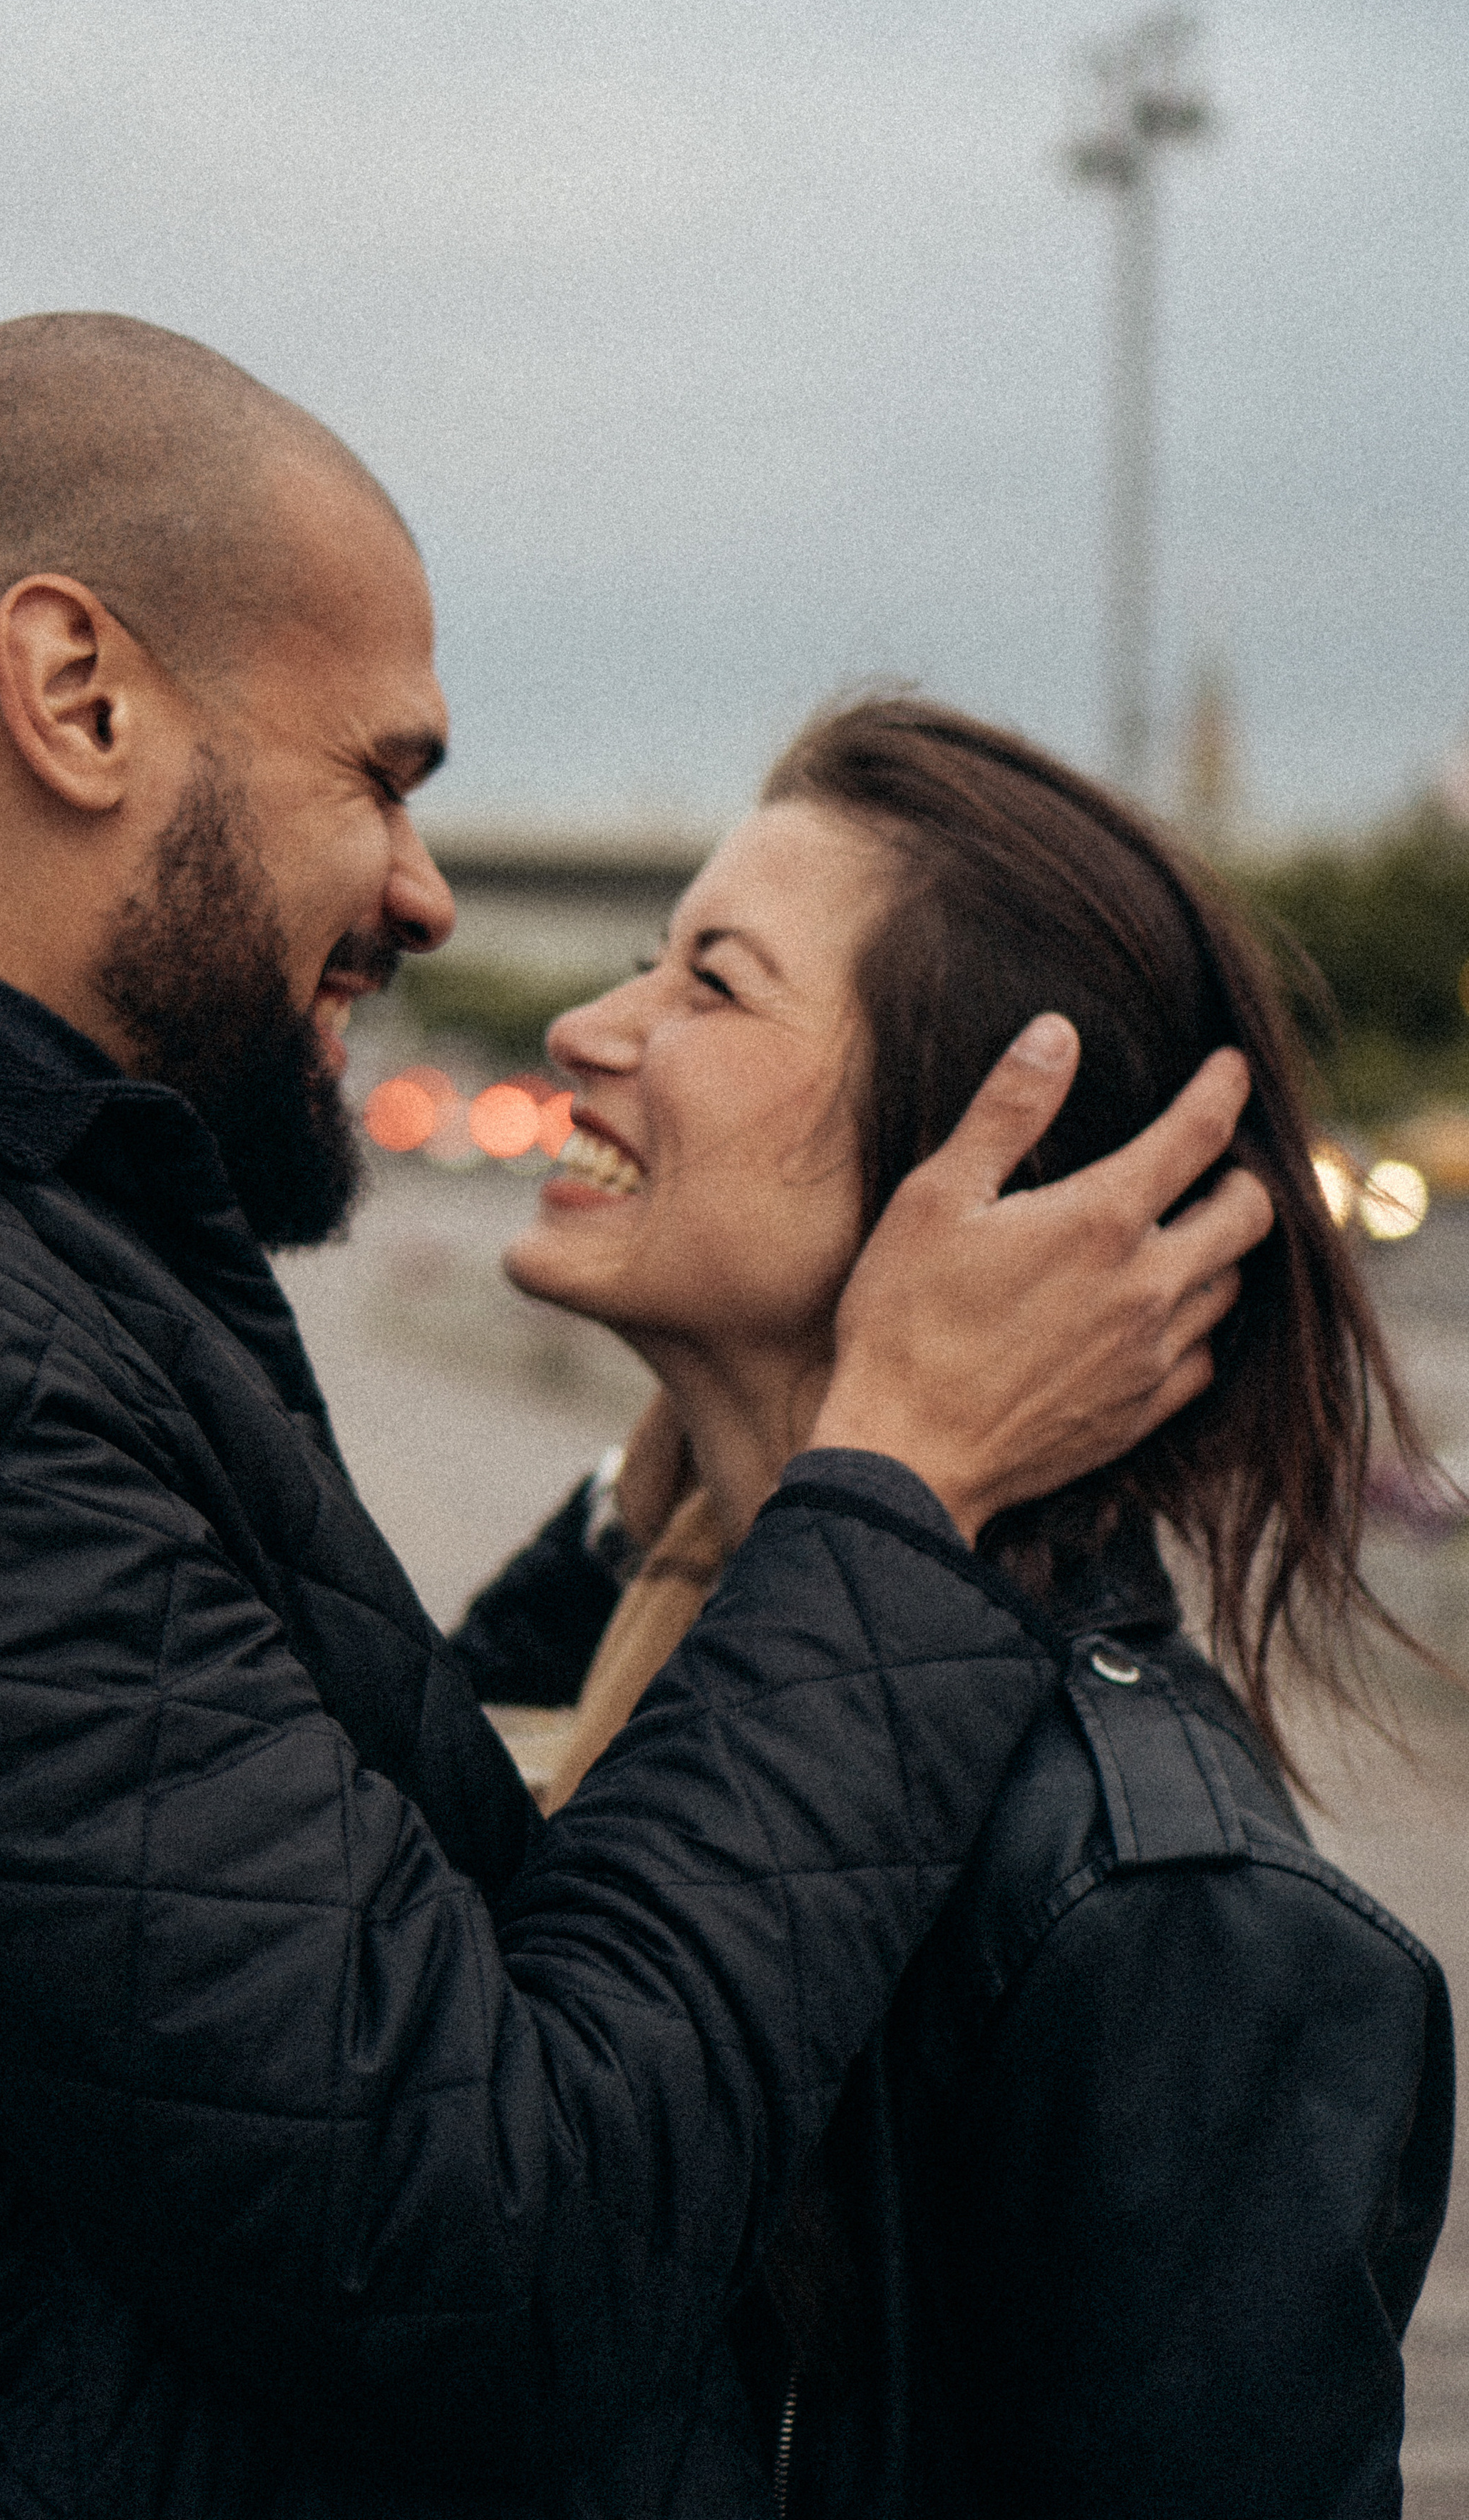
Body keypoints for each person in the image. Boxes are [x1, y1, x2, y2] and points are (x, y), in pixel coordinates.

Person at [0, 318, 1275, 2520]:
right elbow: (481, 2243)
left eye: (713, 981)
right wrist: (891, 1493)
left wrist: (697, 1516)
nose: (428, 896)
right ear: (78, 695)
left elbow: (279, 1818)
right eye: (384, 775)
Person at [455, 693, 1455, 2517]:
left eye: (710, 984)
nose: (586, 1027)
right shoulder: (660, 1632)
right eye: (638, 961)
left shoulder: (1163, 1918)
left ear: (978, 1179)